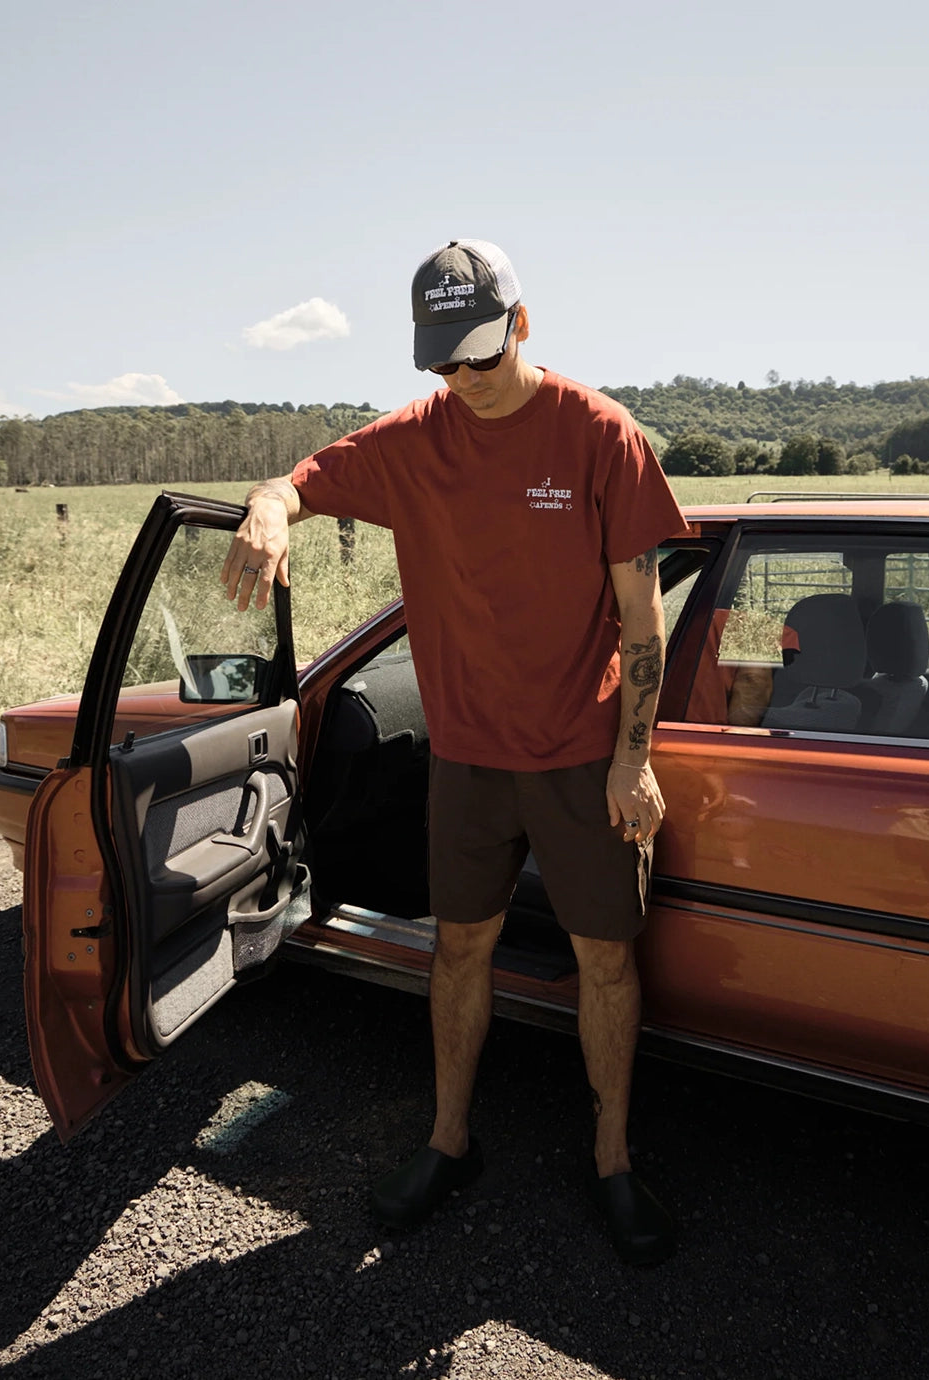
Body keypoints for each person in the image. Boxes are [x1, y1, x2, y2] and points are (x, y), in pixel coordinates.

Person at [222, 239, 686, 1265]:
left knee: (604, 961)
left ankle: (612, 1158)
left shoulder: (600, 436)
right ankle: (449, 1141)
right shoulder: (413, 442)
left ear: (521, 326)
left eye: (478, 355)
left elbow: (642, 625)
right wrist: (267, 507)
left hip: (580, 758)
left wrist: (632, 757)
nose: (462, 382)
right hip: (466, 762)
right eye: (441, 362)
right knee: (459, 948)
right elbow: (299, 480)